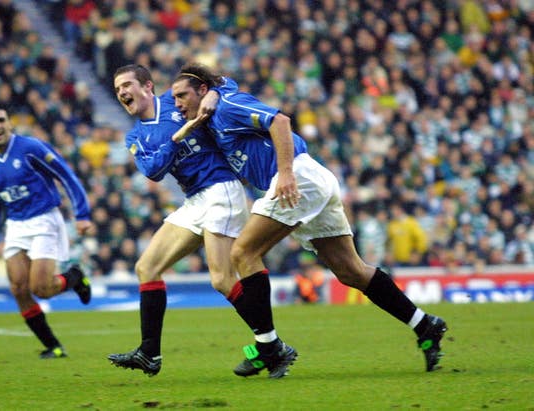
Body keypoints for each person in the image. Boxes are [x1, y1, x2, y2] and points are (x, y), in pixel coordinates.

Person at [171, 63, 448, 373]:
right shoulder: (212, 115)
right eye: (174, 98)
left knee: (243, 252)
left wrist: (286, 172)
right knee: (350, 271)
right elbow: (226, 85)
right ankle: (424, 324)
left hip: (295, 176)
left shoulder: (227, 106)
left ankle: (268, 347)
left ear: (203, 91)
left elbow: (279, 120)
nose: (178, 103)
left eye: (182, 95)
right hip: (313, 179)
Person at [107, 64, 296, 378]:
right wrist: (176, 138)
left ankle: (273, 346)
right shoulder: (135, 135)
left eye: (127, 85)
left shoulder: (175, 99)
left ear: (148, 86)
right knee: (146, 267)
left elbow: (224, 83)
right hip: (194, 199)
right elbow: (152, 170)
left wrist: (215, 96)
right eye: (117, 90)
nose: (123, 93)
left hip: (221, 189)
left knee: (222, 279)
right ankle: (149, 353)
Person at [0, 103, 95, 359]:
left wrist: (82, 214)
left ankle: (74, 277)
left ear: (10, 123)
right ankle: (53, 346)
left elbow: (67, 176)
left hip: (44, 220)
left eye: (1, 120)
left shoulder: (30, 148)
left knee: (41, 288)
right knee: (18, 288)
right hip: (16, 225)